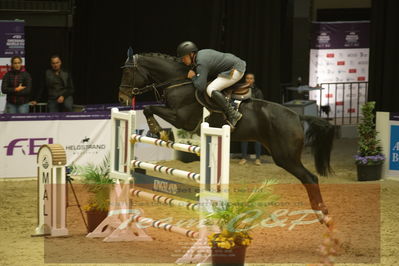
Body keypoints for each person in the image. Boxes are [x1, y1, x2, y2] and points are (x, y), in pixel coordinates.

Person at [177, 41, 246, 127]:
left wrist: (193, 77)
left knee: (210, 89)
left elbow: (201, 86)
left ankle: (233, 114)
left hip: (235, 69)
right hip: (233, 65)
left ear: (191, 54)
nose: (183, 60)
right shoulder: (200, 55)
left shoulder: (201, 62)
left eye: (184, 57)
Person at [239, 73, 264, 166]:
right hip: (244, 117)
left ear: (254, 80)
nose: (249, 80)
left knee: (257, 138)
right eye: (247, 78)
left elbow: (260, 105)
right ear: (245, 80)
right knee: (244, 138)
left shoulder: (258, 91)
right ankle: (243, 157)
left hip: (255, 118)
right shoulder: (241, 90)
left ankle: (258, 158)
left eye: (251, 78)